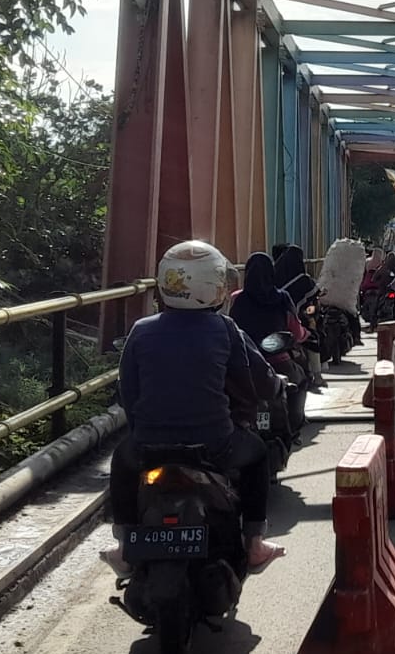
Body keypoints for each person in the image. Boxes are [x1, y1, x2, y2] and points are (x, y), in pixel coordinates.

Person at [102, 240, 286, 578]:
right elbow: (250, 385)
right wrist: (252, 408)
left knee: (122, 460)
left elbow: (127, 392)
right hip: (214, 446)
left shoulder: (141, 331)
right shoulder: (224, 329)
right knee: (258, 454)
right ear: (214, 285)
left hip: (150, 446)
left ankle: (125, 545)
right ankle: (254, 542)